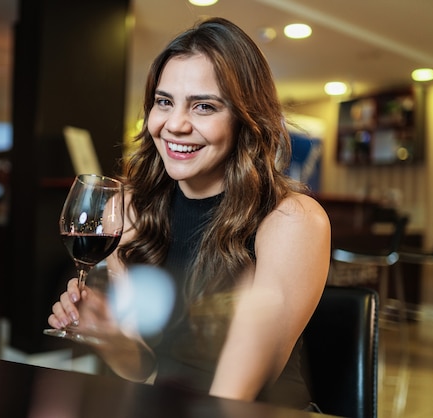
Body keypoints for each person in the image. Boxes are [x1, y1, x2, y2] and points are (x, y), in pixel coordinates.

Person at [48, 17, 331, 411]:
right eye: (164, 102)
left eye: (203, 106)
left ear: (245, 118)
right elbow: (142, 367)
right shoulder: (129, 210)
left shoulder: (292, 220)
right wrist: (111, 336)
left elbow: (240, 392)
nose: (175, 125)